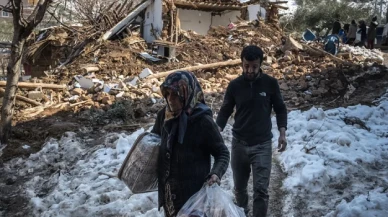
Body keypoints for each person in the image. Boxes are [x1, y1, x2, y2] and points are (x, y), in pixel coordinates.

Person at [216, 45, 288, 217]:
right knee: (239, 190)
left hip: (262, 145)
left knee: (261, 191)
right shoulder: (235, 86)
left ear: (260, 64)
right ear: (242, 63)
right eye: (246, 66)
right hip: (239, 144)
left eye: (254, 67)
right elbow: (225, 110)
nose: (250, 70)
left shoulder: (270, 84)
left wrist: (282, 133)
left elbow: (280, 109)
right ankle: (242, 213)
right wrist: (216, 130)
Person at [151, 71, 230, 217]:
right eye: (167, 94)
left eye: (175, 94)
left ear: (186, 93)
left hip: (194, 198)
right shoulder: (163, 116)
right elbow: (153, 142)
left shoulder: (202, 121)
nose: (170, 100)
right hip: (170, 196)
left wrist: (216, 173)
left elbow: (222, 153)